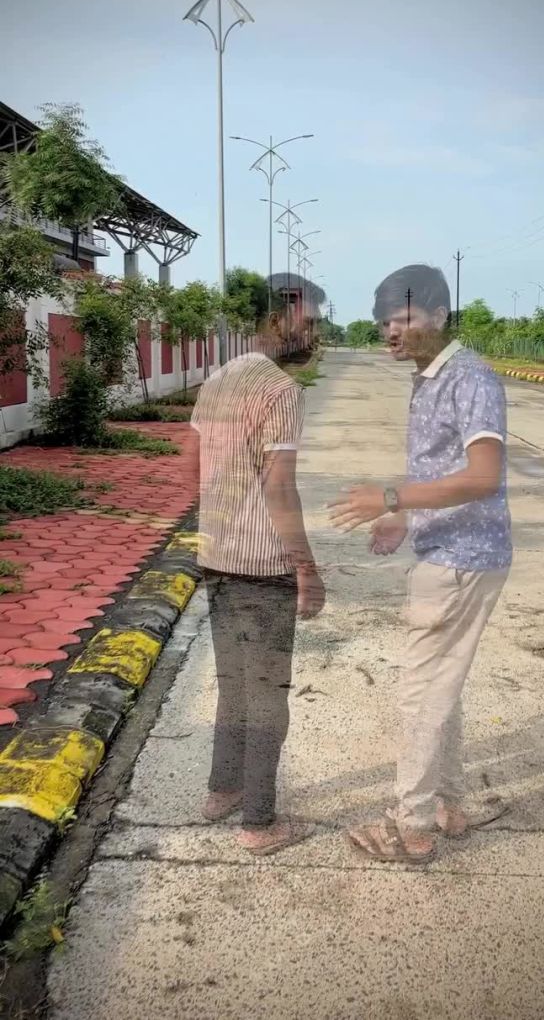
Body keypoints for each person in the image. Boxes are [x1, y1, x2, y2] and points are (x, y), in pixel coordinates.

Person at [329, 264, 512, 863]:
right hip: (449, 549)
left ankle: (410, 827)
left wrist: (391, 497)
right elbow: (442, 468)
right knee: (443, 686)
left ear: (438, 315)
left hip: (462, 557)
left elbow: (483, 477)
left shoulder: (468, 377)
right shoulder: (430, 376)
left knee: (422, 691)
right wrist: (405, 515)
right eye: (385, 320)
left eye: (404, 318)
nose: (391, 330)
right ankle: (447, 807)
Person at [190, 306, 325, 856]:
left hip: (217, 556)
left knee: (234, 684)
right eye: (307, 324)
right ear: (274, 324)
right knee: (268, 695)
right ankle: (259, 823)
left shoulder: (217, 380)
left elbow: (195, 465)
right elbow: (280, 487)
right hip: (263, 565)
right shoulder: (280, 391)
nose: (314, 335)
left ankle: (221, 791)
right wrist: (306, 568)